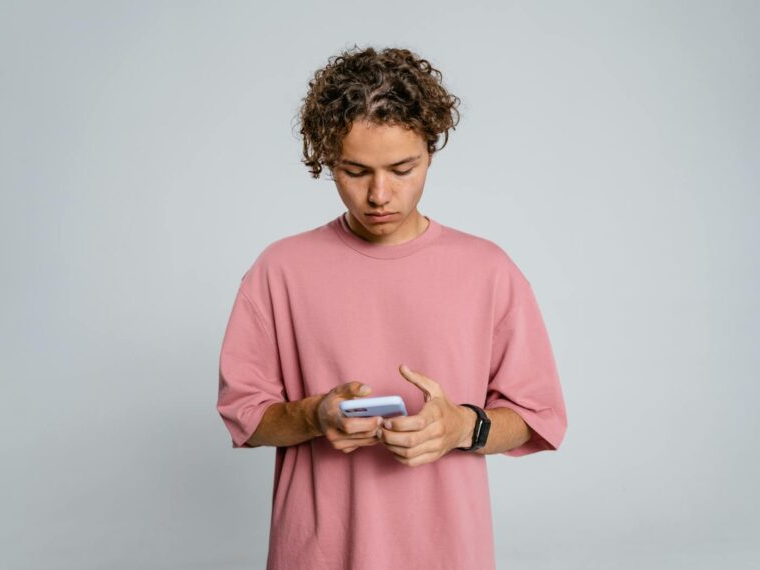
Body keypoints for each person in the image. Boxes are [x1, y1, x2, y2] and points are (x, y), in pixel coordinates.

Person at [216, 45, 568, 570]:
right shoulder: (279, 269)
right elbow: (246, 416)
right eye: (354, 171)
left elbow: (537, 416)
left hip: (448, 555)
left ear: (431, 149)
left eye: (403, 168)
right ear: (325, 160)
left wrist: (461, 428)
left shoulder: (488, 270)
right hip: (317, 555)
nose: (379, 194)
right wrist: (316, 414)